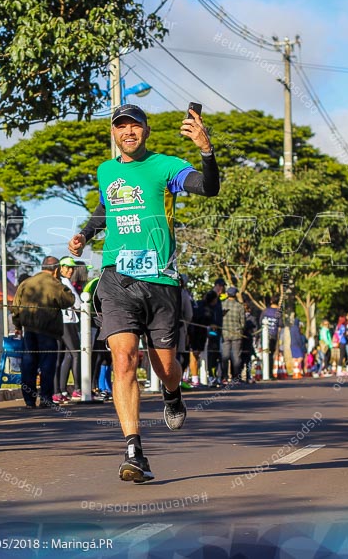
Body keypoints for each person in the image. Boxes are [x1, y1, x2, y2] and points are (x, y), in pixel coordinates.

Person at [67, 102, 220, 482]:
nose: (128, 132)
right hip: (116, 277)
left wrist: (206, 150)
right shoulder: (106, 170)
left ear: (146, 131)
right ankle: (134, 449)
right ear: (114, 134)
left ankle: (172, 393)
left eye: (134, 126)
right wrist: (85, 234)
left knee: (165, 366)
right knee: (123, 359)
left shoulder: (165, 166)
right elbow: (105, 207)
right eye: (121, 127)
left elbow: (209, 188)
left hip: (161, 281)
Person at [10, 256, 76, 409]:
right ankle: (46, 399)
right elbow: (69, 300)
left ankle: (29, 400)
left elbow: (15, 306)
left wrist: (18, 325)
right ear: (57, 269)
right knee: (47, 365)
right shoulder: (55, 284)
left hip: (29, 330)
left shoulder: (27, 283)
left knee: (28, 364)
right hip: (48, 332)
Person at [54, 256, 81, 403]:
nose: (70, 270)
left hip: (66, 321)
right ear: (61, 268)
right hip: (66, 322)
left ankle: (61, 390)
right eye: (67, 267)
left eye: (72, 268)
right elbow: (77, 303)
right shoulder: (64, 283)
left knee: (66, 356)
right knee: (76, 354)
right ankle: (77, 389)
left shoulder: (65, 282)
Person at [221, 287, 243, 383]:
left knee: (225, 356)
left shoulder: (222, 305)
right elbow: (243, 323)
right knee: (236, 357)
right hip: (237, 334)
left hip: (224, 334)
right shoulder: (239, 306)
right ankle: (235, 377)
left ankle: (224, 377)